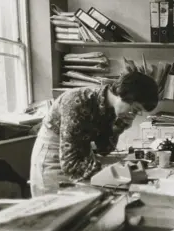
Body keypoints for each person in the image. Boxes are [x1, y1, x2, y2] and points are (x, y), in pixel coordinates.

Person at [30, 71, 159, 196]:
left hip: (78, 157)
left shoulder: (110, 108)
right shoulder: (77, 102)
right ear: (123, 95)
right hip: (53, 157)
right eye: (135, 110)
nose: (133, 116)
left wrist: (119, 127)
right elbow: (71, 165)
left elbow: (104, 149)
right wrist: (116, 172)